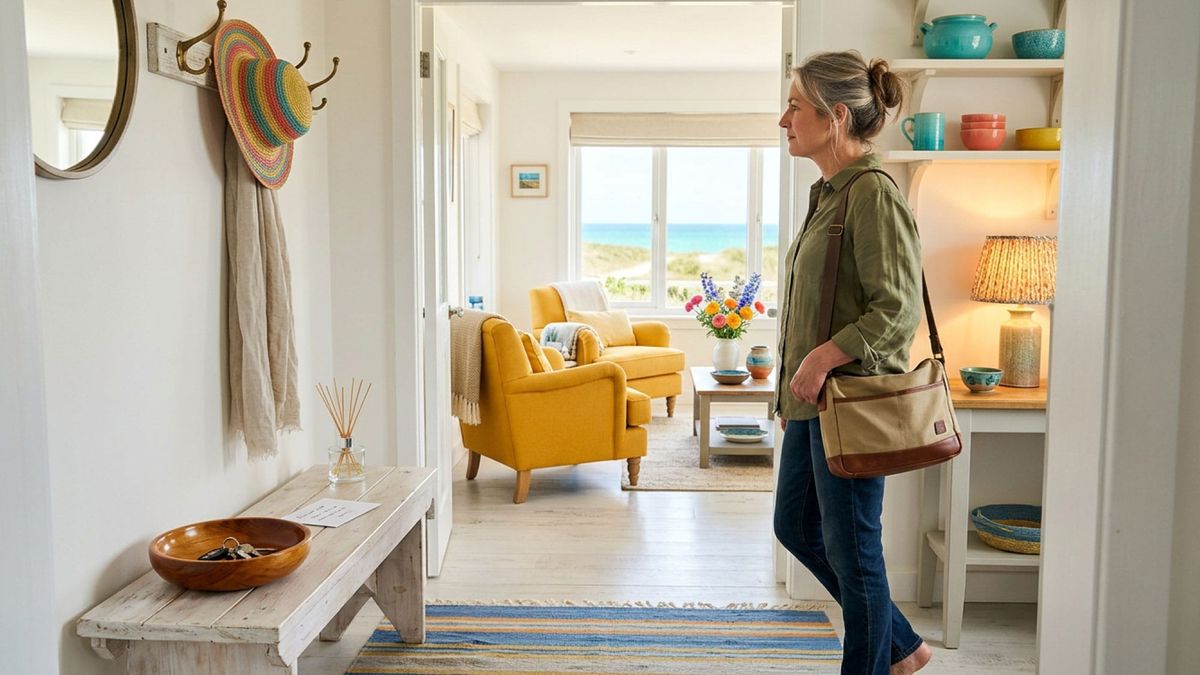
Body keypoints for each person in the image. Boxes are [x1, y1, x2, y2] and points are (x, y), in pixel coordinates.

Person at [773, 50, 933, 675]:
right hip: (815, 404)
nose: (783, 119)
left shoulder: (872, 195)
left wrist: (820, 361)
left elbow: (895, 310)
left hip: (851, 405)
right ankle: (902, 646)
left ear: (836, 116)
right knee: (797, 527)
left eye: (795, 106)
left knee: (856, 555)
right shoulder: (830, 195)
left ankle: (881, 661)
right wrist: (794, 392)